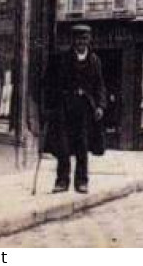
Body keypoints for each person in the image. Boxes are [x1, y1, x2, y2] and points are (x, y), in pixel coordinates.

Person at [44, 24, 105, 194]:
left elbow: (99, 85)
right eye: (78, 39)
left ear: (89, 40)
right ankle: (62, 180)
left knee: (82, 144)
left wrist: (100, 105)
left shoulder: (94, 61)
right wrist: (51, 105)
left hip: (85, 108)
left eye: (84, 39)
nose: (81, 42)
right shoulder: (62, 59)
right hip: (64, 107)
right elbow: (50, 83)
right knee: (63, 145)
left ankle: (81, 181)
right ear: (73, 40)